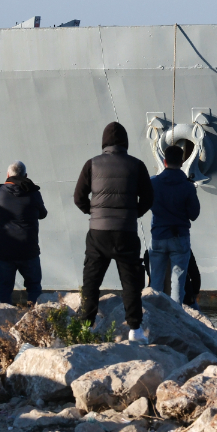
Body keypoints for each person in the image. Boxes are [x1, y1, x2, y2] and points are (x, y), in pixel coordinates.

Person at [74, 122, 154, 342]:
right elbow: (148, 198)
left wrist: (93, 212)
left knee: (91, 280)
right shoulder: (137, 165)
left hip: (98, 232)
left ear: (104, 143)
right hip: (125, 232)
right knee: (130, 282)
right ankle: (135, 330)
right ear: (125, 143)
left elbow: (78, 197)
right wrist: (133, 214)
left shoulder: (91, 164)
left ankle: (86, 327)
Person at [0, 161, 48, 305]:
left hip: (4, 251)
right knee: (34, 287)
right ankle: (35, 320)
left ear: (8, 175)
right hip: (28, 250)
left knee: (4, 289)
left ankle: (4, 320)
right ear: (25, 176)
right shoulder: (34, 194)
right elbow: (43, 214)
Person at [149, 146, 201, 305]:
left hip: (158, 236)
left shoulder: (153, 183)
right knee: (178, 282)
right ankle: (176, 315)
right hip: (179, 236)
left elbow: (146, 204)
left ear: (164, 161)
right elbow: (194, 214)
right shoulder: (188, 186)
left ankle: (154, 314)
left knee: (156, 280)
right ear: (182, 162)